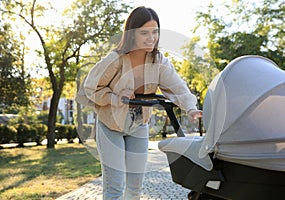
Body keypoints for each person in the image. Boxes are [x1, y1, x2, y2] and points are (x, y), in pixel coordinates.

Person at [84, 6, 202, 200]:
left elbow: (178, 87)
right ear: (131, 33)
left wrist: (190, 108)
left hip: (139, 124)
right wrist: (116, 97)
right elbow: (91, 88)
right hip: (110, 125)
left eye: (155, 32)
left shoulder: (158, 61)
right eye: (144, 33)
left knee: (135, 187)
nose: (151, 38)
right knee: (114, 187)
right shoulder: (116, 59)